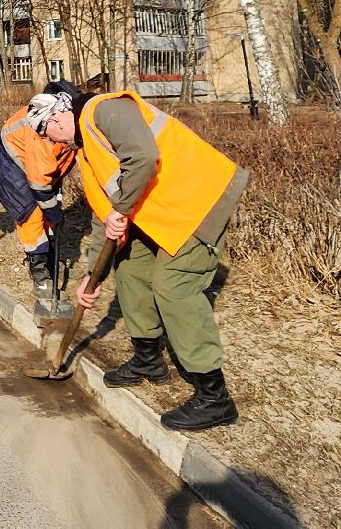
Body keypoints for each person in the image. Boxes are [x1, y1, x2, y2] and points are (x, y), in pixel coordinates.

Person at [26, 85, 248, 432]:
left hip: (199, 198)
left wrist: (122, 209)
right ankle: (149, 360)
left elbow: (144, 156)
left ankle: (215, 396)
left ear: (56, 117)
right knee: (128, 268)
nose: (51, 141)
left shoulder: (104, 110)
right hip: (162, 213)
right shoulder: (87, 152)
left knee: (173, 286)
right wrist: (90, 277)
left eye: (47, 132)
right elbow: (104, 217)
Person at [0, 80, 77, 316]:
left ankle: (49, 261)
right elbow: (38, 179)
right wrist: (52, 209)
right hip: (10, 168)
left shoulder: (67, 119)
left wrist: (55, 201)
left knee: (49, 216)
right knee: (32, 216)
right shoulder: (42, 129)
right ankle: (41, 278)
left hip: (38, 168)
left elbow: (64, 160)